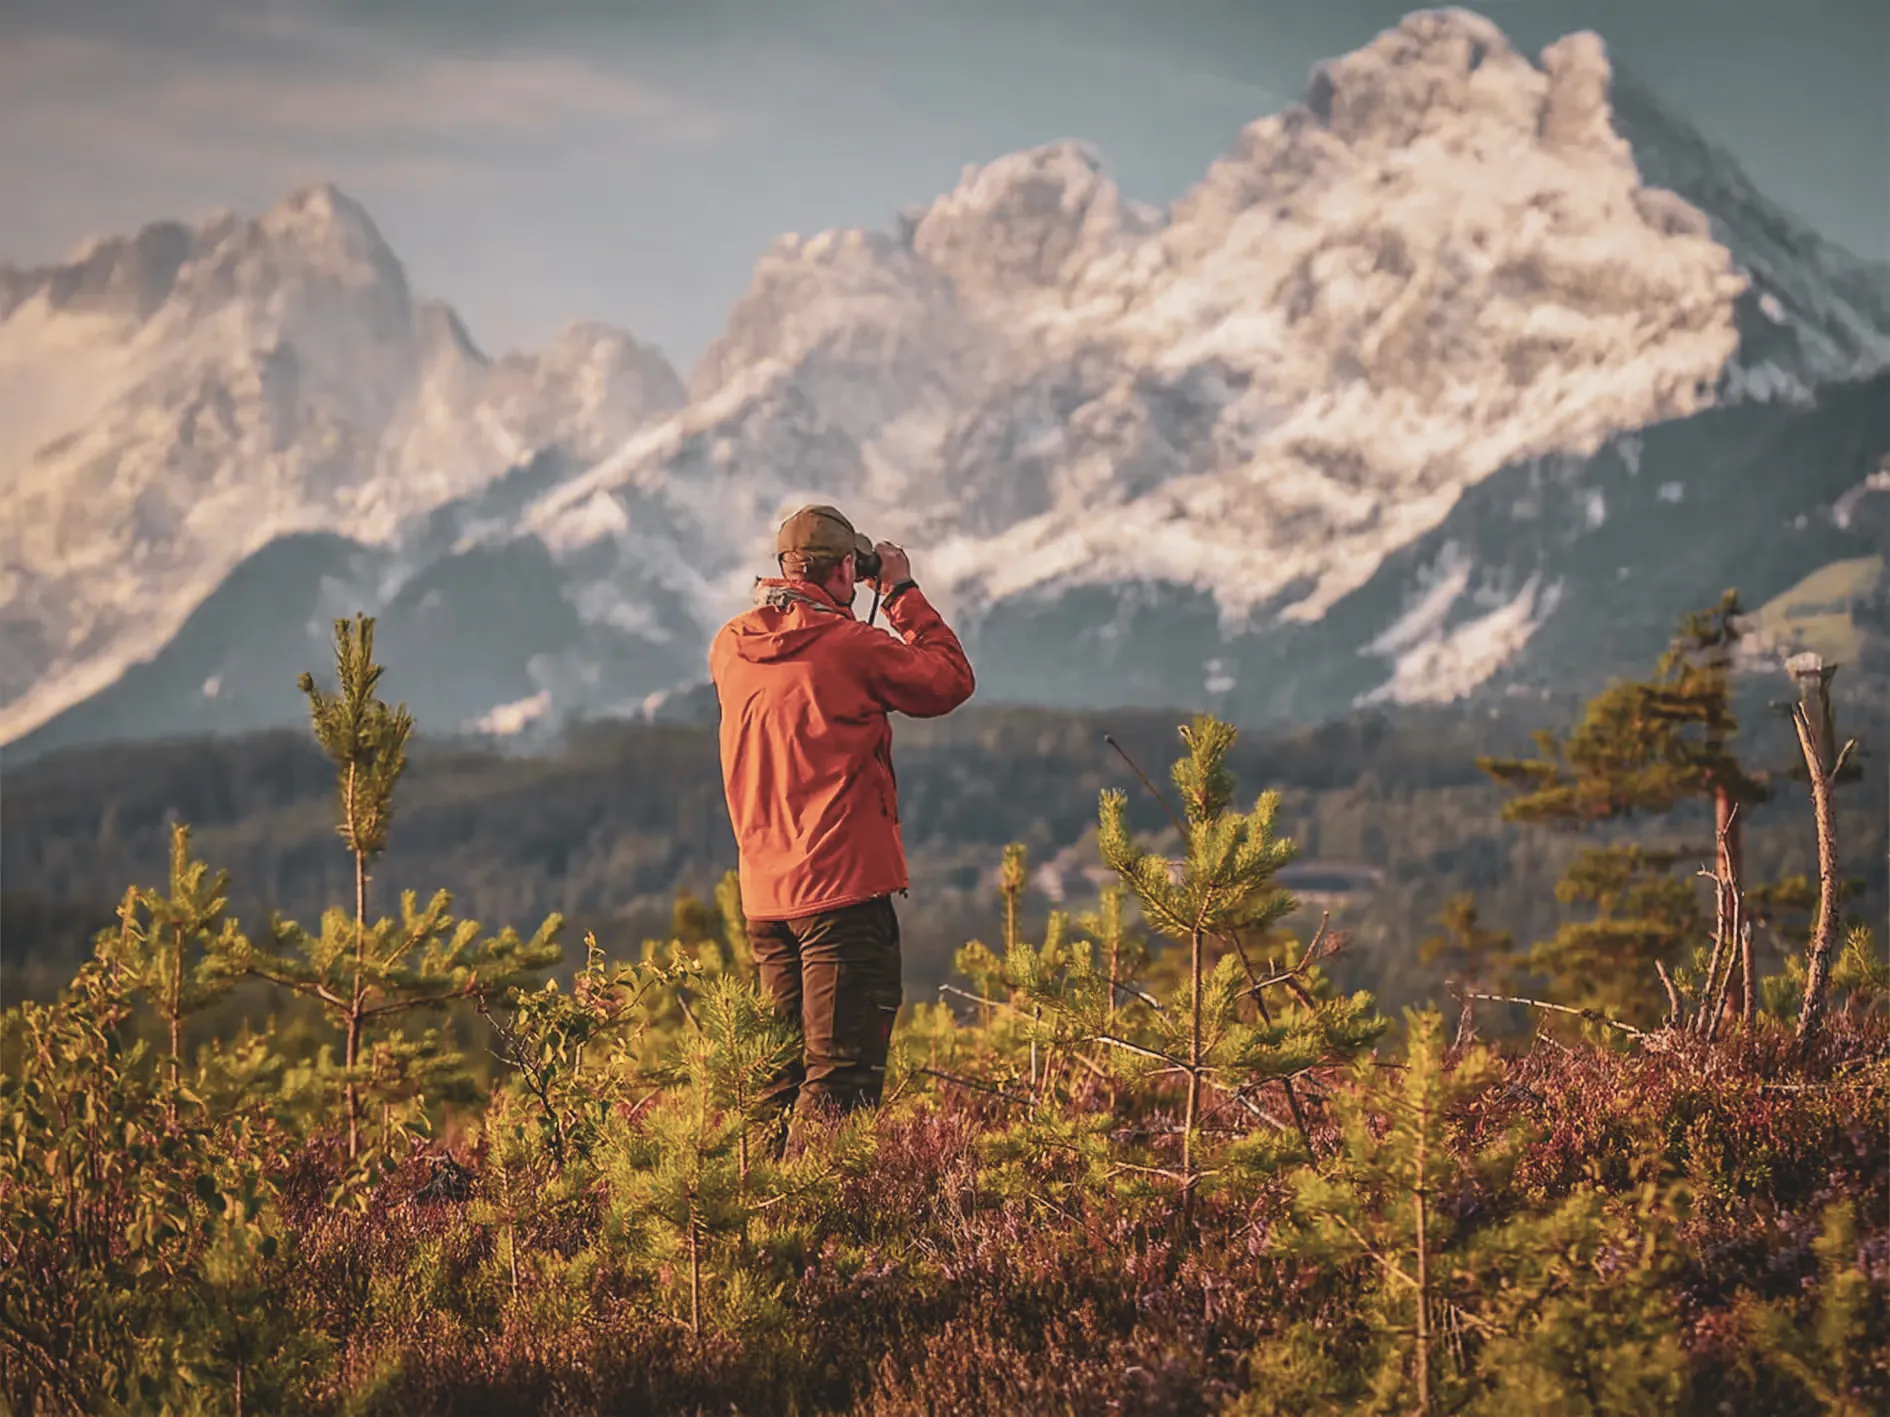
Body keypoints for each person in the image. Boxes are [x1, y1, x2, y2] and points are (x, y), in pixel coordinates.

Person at [709, 504, 975, 1124]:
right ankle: (825, 1219)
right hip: (842, 895)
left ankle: (756, 1212)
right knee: (841, 1081)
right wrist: (901, 591)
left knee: (778, 1079)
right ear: (846, 570)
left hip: (767, 901)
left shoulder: (729, 648)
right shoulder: (851, 647)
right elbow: (949, 681)